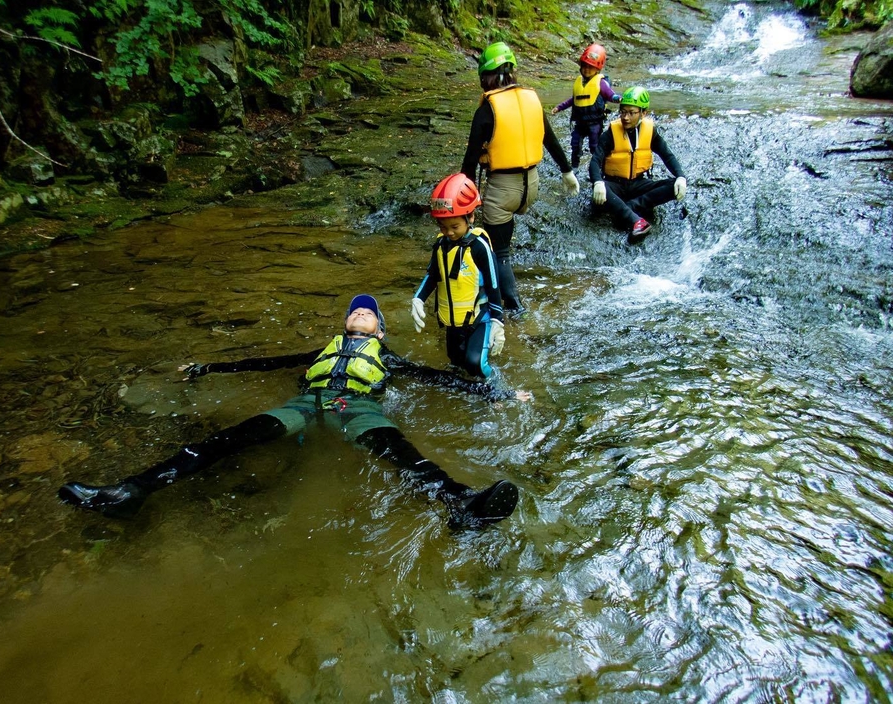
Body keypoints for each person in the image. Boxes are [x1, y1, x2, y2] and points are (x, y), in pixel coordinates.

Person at [58, 295, 528, 530]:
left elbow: (436, 377)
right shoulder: (324, 349)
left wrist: (498, 393)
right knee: (226, 440)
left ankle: (464, 505)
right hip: (304, 405)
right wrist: (208, 367)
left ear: (381, 331)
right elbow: (268, 361)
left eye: (368, 315)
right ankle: (131, 491)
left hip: (356, 406)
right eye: (354, 313)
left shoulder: (387, 357)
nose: (359, 315)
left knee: (402, 454)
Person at [461, 41, 581, 315]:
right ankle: (494, 292)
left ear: (485, 76)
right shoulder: (532, 99)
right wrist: (567, 172)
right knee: (501, 243)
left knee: (498, 252)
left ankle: (512, 307)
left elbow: (469, 161)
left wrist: (466, 203)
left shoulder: (487, 109)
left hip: (504, 189)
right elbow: (549, 139)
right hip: (532, 185)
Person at [410, 173, 504, 379]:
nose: (449, 232)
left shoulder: (479, 248)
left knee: (475, 364)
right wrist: (418, 298)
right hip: (453, 321)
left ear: (470, 218)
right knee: (456, 363)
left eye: (455, 227)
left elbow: (494, 283)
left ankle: (496, 388)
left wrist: (498, 321)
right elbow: (433, 275)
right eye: (442, 227)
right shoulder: (440, 245)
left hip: (479, 316)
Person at [589, 86, 687, 244]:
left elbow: (667, 155)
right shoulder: (610, 134)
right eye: (623, 112)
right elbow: (595, 161)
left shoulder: (650, 132)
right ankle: (636, 220)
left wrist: (681, 176)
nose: (626, 117)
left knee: (673, 185)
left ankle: (629, 207)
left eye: (631, 113)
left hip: (639, 184)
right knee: (600, 191)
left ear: (643, 113)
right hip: (615, 185)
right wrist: (598, 182)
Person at [550, 43, 622, 170]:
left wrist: (617, 99)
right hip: (580, 122)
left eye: (591, 67)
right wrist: (559, 107)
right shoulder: (579, 82)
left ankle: (598, 167)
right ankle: (575, 167)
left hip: (594, 122)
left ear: (598, 69)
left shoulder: (601, 83)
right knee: (575, 144)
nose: (587, 69)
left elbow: (610, 95)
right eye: (584, 66)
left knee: (594, 145)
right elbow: (574, 100)